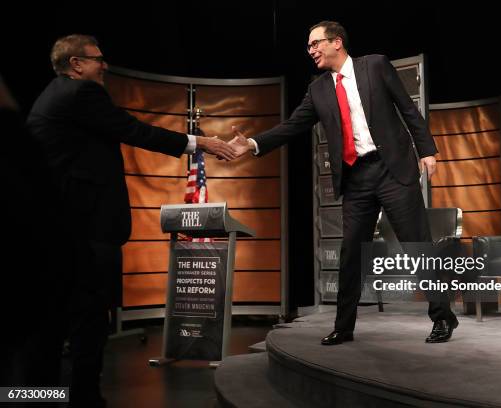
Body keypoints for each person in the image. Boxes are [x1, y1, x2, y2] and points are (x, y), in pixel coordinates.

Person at [25, 34, 236, 407]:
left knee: (56, 324)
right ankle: (84, 400)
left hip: (61, 230)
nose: (104, 65)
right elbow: (133, 130)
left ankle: (38, 397)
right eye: (98, 59)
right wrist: (201, 143)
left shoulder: (51, 95)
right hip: (86, 230)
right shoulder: (80, 95)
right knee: (89, 321)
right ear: (76, 64)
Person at [229, 21, 458, 345]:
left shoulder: (375, 65)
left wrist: (427, 150)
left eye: (316, 43)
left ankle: (442, 317)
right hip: (357, 178)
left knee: (417, 246)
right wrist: (253, 144)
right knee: (351, 253)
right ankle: (344, 326)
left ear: (337, 42)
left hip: (392, 168)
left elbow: (408, 108)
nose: (311, 51)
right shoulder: (318, 89)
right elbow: (293, 125)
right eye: (309, 46)